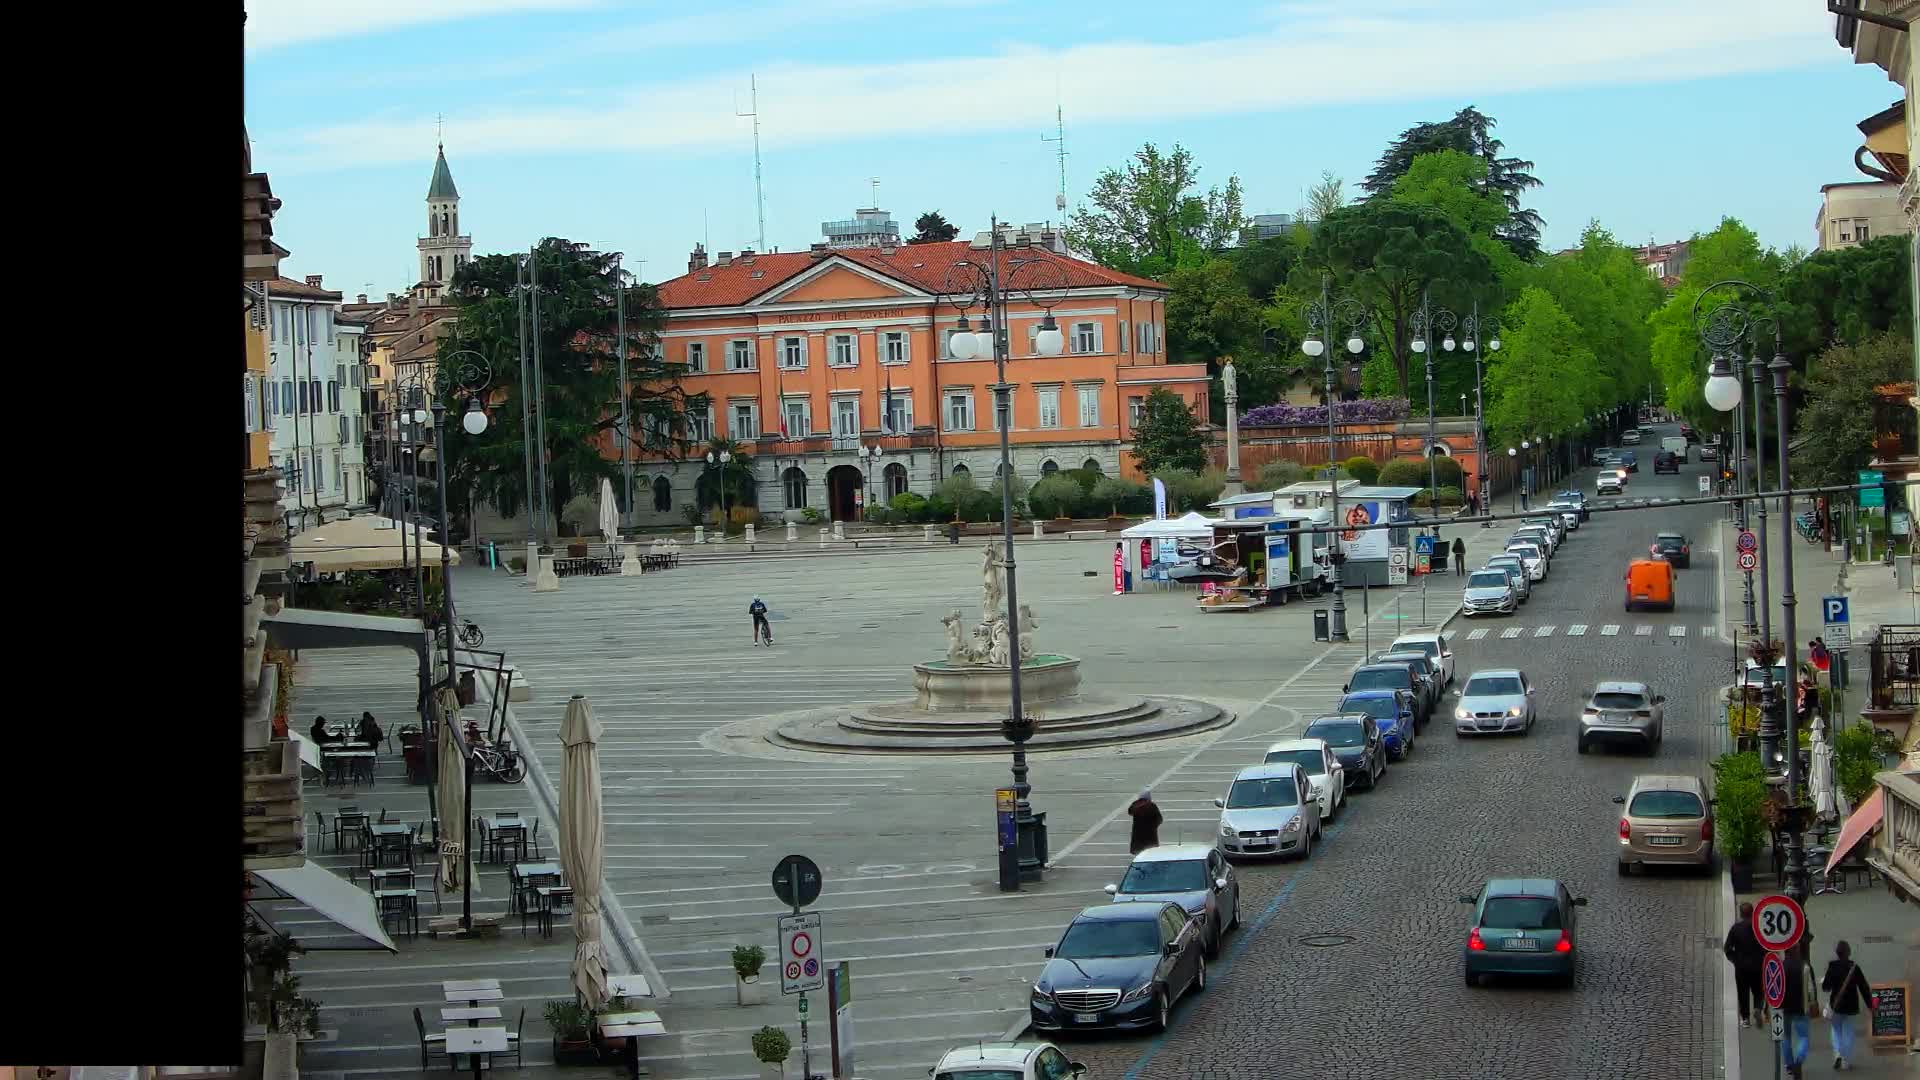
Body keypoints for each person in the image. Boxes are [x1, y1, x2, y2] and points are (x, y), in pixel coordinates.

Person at [1821, 939, 1874, 1071]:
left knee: (1836, 1030)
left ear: (1837, 953)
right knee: (1849, 1031)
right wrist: (1870, 1005)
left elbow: (1825, 987)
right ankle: (1845, 1060)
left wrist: (1828, 981)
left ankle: (1838, 1054)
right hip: (1850, 1005)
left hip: (1836, 1004)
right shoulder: (1854, 967)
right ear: (1848, 952)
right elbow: (1864, 987)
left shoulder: (1832, 966)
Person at [1779, 939, 1818, 1080]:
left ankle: (1789, 1065)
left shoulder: (1781, 967)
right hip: (1801, 1008)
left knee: (1785, 1037)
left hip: (1784, 1008)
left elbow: (1775, 989)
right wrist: (1813, 1002)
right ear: (1795, 951)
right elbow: (1810, 989)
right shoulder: (1804, 966)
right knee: (1803, 1037)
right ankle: (1798, 1061)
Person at [1722, 901, 1765, 1027]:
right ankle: (1757, 1008)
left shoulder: (1735, 929)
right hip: (1757, 965)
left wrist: (1735, 960)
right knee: (1758, 991)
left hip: (1741, 967)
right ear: (1753, 913)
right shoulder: (1758, 928)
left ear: (1740, 914)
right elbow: (1765, 946)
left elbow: (1727, 948)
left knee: (1743, 992)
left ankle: (1745, 1018)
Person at [1126, 790, 1162, 855]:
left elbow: (1130, 812)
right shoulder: (1151, 805)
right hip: (1150, 833)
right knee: (1150, 851)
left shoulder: (1136, 805)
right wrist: (1154, 826)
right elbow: (1159, 819)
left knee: (1139, 851)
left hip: (1138, 832)